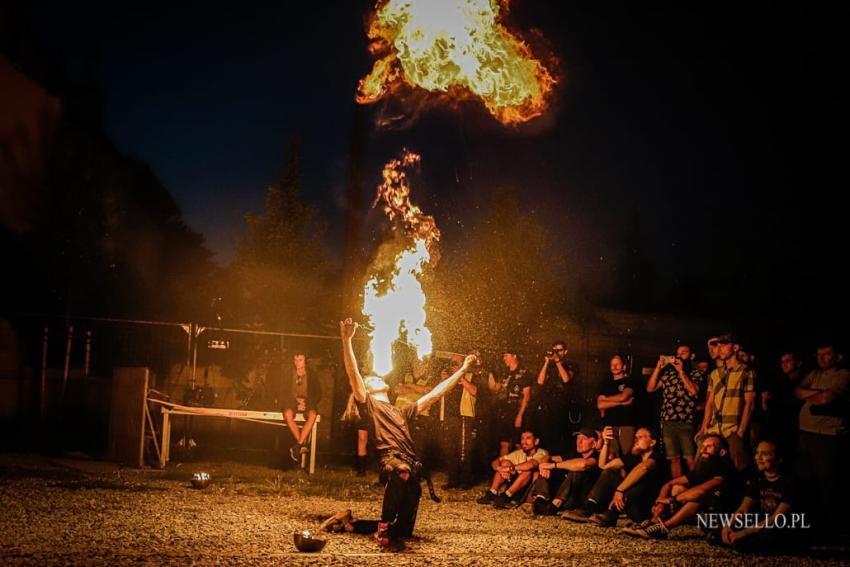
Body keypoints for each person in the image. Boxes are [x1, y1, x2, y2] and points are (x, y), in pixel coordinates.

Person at [339, 318, 475, 548]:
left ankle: (350, 524)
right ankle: (382, 526)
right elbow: (354, 377)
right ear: (368, 391)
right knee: (400, 472)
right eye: (371, 379)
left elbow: (435, 394)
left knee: (403, 531)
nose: (376, 377)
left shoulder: (402, 411)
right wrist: (346, 340)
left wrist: (463, 370)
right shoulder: (370, 406)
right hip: (391, 460)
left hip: (412, 464)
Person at [622, 434, 737, 539]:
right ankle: (653, 522)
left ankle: (663, 528)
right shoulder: (703, 467)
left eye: (709, 446)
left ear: (722, 452)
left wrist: (671, 500)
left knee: (697, 497)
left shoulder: (726, 467)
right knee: (678, 487)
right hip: (705, 515)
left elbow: (701, 492)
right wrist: (661, 502)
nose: (703, 450)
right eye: (703, 446)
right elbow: (669, 484)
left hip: (726, 518)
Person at [794, 342, 849, 533]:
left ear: (838, 357)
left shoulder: (843, 375)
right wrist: (817, 395)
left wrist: (811, 395)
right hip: (806, 433)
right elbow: (797, 390)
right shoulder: (814, 374)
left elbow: (827, 399)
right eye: (819, 354)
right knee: (806, 478)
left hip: (827, 435)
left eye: (826, 354)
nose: (821, 358)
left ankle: (830, 527)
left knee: (827, 482)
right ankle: (810, 523)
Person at [715, 439, 803, 554]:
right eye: (757, 453)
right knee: (713, 520)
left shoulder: (790, 481)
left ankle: (740, 542)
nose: (758, 457)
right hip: (760, 523)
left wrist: (744, 533)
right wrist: (727, 526)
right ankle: (734, 540)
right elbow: (743, 509)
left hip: (781, 526)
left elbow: (776, 518)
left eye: (765, 454)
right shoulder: (757, 478)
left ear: (779, 459)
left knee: (770, 533)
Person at [562, 426, 659, 527]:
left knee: (637, 484)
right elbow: (603, 466)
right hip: (629, 503)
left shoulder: (657, 457)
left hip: (647, 507)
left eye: (640, 437)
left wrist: (620, 490)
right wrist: (606, 443)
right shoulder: (634, 458)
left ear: (652, 442)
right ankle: (596, 510)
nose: (635, 440)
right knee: (609, 472)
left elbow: (644, 467)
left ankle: (603, 513)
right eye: (635, 437)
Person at [696, 333, 756, 471]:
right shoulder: (714, 374)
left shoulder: (745, 371)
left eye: (724, 345)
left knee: (739, 466)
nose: (720, 349)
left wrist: (741, 430)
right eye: (718, 345)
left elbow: (750, 403)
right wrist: (704, 427)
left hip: (732, 428)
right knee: (702, 464)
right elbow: (710, 402)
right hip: (714, 428)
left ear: (735, 348)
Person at [646, 345, 705, 478]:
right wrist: (658, 368)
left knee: (690, 458)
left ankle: (695, 485)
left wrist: (681, 372)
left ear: (692, 356)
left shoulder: (696, 373)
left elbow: (694, 390)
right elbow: (650, 388)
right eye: (678, 353)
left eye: (684, 352)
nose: (680, 355)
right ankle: (677, 487)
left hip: (686, 422)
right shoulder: (668, 374)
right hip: (668, 422)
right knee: (674, 459)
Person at [528, 427, 600, 516]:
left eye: (584, 439)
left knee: (575, 469)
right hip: (569, 498)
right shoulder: (574, 454)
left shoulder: (597, 456)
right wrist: (544, 464)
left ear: (593, 444)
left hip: (582, 500)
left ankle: (553, 506)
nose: (579, 442)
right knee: (546, 467)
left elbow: (583, 465)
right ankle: (540, 501)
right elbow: (547, 457)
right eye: (578, 438)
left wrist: (553, 466)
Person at [477, 429, 549, 509]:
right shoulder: (519, 453)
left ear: (536, 441)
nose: (524, 442)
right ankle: (492, 493)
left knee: (527, 470)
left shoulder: (542, 453)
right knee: (505, 463)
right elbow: (495, 461)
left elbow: (532, 464)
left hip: (529, 491)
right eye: (522, 438)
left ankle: (506, 496)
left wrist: (508, 469)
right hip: (516, 488)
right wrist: (500, 469)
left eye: (528, 438)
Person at [443, 354, 480, 489]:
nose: (452, 366)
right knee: (450, 449)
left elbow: (475, 391)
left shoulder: (471, 376)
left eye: (456, 363)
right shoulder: (449, 377)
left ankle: (465, 481)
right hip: (449, 417)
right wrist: (445, 381)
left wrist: (461, 376)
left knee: (464, 450)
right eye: (451, 363)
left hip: (464, 416)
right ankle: (452, 480)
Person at [531, 340, 574, 454]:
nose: (556, 352)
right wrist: (546, 362)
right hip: (547, 409)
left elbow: (566, 379)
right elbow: (540, 382)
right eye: (554, 350)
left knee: (559, 440)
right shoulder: (549, 366)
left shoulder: (569, 364)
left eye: (559, 350)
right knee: (545, 440)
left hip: (561, 408)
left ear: (565, 352)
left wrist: (557, 361)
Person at [490, 349, 532, 457]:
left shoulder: (524, 373)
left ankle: (520, 470)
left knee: (519, 443)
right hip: (504, 410)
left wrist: (520, 415)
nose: (504, 358)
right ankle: (502, 470)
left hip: (517, 409)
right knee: (504, 442)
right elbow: (495, 389)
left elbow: (526, 397)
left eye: (506, 355)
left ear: (514, 356)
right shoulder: (504, 373)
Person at [281, 352, 322, 463]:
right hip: (292, 401)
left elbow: (319, 393)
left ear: (305, 361)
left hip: (308, 402)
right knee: (288, 414)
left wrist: (306, 402)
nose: (297, 362)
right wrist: (295, 401)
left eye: (300, 360)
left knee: (312, 415)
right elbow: (283, 392)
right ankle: (301, 444)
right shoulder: (288, 373)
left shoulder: (312, 374)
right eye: (295, 360)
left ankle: (298, 446)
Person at [596, 355, 636, 458]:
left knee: (625, 457)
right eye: (612, 364)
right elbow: (600, 404)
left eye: (617, 364)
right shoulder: (605, 384)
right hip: (609, 425)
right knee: (611, 457)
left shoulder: (630, 381)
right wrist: (620, 403)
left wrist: (606, 399)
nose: (614, 366)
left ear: (624, 367)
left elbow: (623, 397)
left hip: (626, 425)